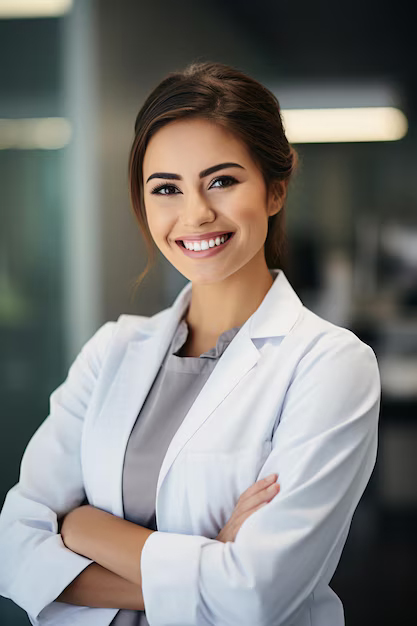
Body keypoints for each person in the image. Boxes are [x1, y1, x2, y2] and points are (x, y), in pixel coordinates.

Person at [0, 61, 381, 626]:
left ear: (275, 189)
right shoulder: (112, 350)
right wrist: (206, 565)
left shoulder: (329, 364)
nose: (196, 213)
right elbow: (13, 549)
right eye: (167, 189)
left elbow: (256, 598)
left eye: (222, 181)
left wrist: (86, 529)